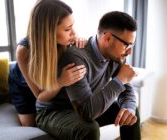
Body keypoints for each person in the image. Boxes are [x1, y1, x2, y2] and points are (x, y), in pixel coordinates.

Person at [36, 10, 141, 140]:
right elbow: (87, 112)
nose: (129, 51)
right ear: (107, 38)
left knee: (130, 112)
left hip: (85, 105)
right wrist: (119, 80)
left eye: (132, 45)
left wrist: (128, 107)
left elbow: (126, 89)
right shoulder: (75, 57)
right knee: (89, 129)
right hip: (54, 112)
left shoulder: (116, 56)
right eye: (127, 45)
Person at [8, 0, 86, 126]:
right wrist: (61, 81)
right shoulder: (24, 50)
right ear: (48, 31)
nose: (74, 33)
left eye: (72, 26)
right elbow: (40, 95)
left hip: (47, 83)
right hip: (23, 86)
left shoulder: (66, 39)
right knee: (30, 126)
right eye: (67, 29)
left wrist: (82, 41)